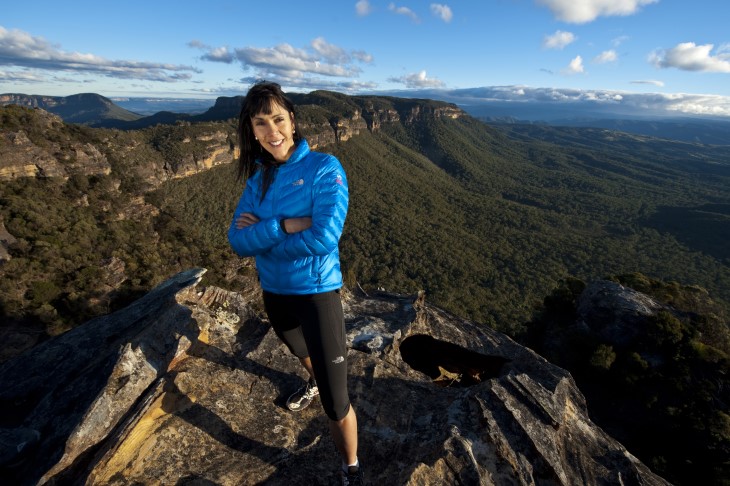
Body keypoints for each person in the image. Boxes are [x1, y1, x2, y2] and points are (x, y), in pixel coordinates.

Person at [228, 81, 363, 485]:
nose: (273, 131)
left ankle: (350, 468)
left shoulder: (324, 168)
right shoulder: (258, 181)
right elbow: (238, 242)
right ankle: (312, 377)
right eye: (261, 123)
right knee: (299, 350)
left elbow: (324, 237)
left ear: (293, 121)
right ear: (251, 131)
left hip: (316, 294)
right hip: (275, 293)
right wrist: (284, 225)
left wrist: (265, 241)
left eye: (279, 119)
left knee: (336, 401)